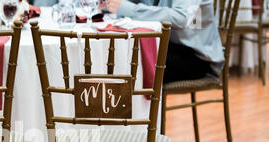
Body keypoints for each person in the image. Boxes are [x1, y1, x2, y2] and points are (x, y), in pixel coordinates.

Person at [35, 0, 224, 83]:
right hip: (169, 46)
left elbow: (182, 18)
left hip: (198, 57)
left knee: (131, 68)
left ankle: (139, 140)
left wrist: (127, 8)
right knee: (118, 62)